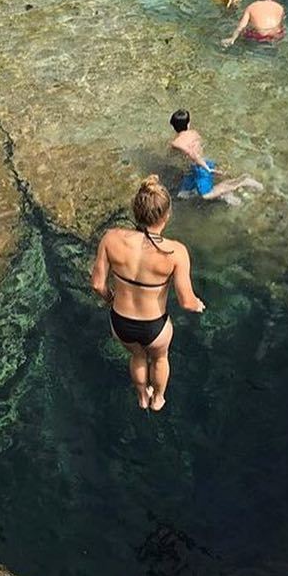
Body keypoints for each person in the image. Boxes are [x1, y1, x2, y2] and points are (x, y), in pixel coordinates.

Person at [91, 174, 205, 411]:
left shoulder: (111, 238)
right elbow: (186, 301)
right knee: (160, 358)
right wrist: (197, 305)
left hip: (120, 321)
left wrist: (111, 299)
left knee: (137, 356)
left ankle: (142, 396)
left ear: (136, 211)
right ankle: (158, 399)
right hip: (154, 325)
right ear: (167, 215)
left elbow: (97, 285)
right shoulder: (175, 252)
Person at [169, 109, 263, 203]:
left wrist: (207, 169)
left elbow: (193, 155)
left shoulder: (176, 142)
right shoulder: (194, 133)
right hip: (197, 165)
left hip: (201, 166)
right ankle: (224, 195)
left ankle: (242, 182)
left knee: (206, 195)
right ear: (188, 124)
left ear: (173, 126)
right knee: (184, 194)